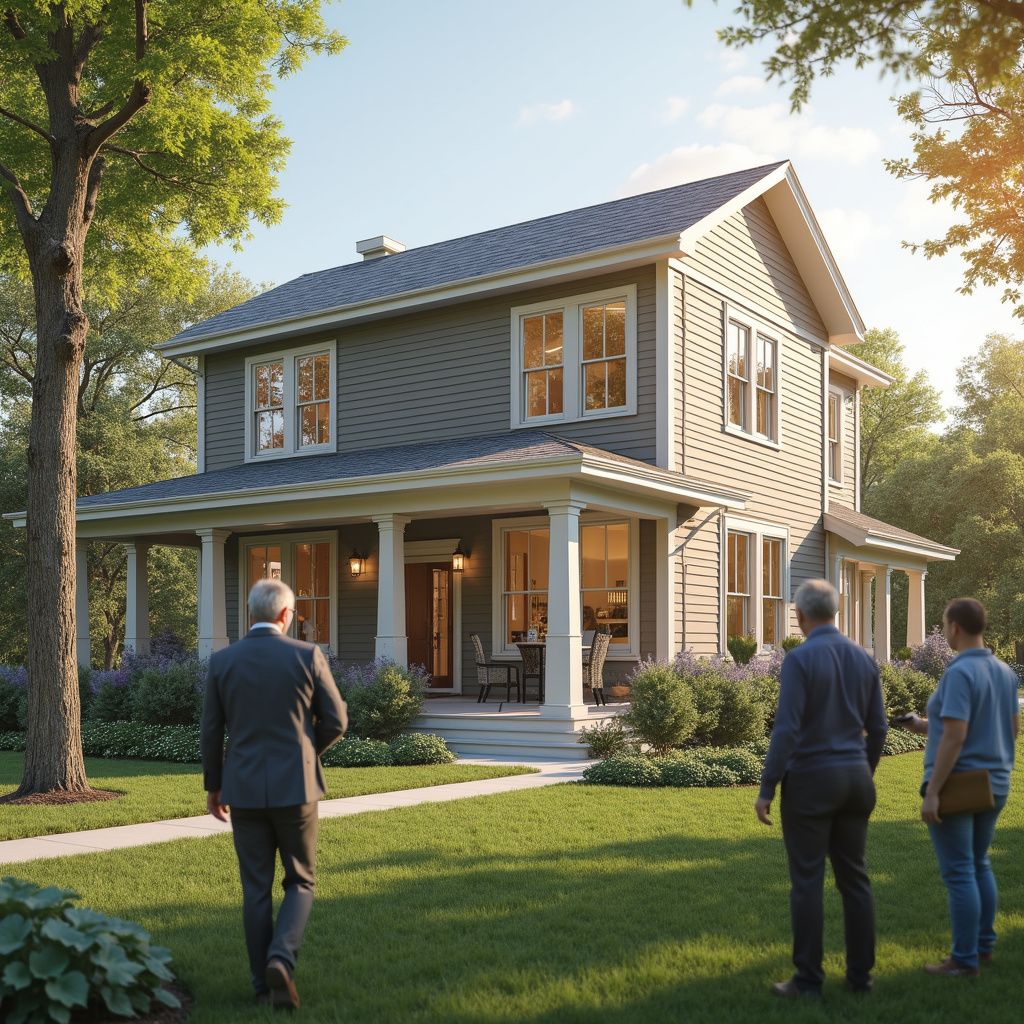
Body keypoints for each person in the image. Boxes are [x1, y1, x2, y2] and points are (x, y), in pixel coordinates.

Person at [201, 578, 348, 1009]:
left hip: (242, 788)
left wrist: (215, 786)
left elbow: (211, 732)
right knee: (300, 880)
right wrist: (306, 754)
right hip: (296, 788)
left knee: (255, 889)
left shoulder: (222, 661)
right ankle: (281, 959)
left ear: (252, 614)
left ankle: (261, 984)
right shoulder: (307, 655)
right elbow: (337, 720)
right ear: (287, 615)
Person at [755, 579, 888, 997]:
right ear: (836, 611)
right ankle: (860, 977)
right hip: (855, 780)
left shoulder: (800, 660)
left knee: (808, 880)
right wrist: (862, 769)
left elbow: (788, 728)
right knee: (855, 879)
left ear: (799, 616)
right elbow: (880, 727)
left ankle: (809, 979)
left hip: (812, 782)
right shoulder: (863, 659)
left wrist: (768, 786)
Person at [901, 598, 1019, 978]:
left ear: (954, 628)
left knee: (959, 872)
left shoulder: (958, 674)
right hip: (996, 782)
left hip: (959, 784)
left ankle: (964, 959)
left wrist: (934, 791)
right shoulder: (1004, 672)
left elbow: (955, 734)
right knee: (979, 863)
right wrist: (921, 725)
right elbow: (1010, 728)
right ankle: (983, 947)